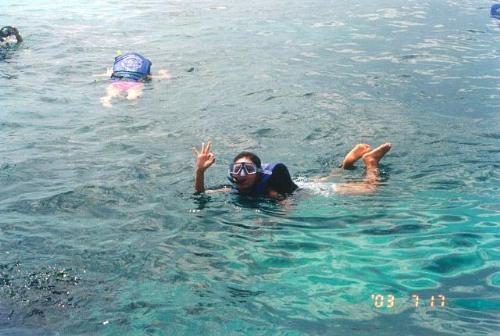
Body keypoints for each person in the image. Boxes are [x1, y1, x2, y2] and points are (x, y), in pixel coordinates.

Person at [193, 141, 392, 200]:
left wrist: (270, 224)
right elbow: (202, 193)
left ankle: (370, 162)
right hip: (303, 181)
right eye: (238, 169)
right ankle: (347, 163)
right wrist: (200, 171)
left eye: (248, 169)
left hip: (309, 191)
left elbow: (284, 205)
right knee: (324, 177)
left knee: (370, 189)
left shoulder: (270, 190)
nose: (242, 174)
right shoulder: (233, 189)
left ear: (259, 172)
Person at [94, 52, 170, 107]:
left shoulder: (117, 72)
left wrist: (105, 73)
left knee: (110, 94)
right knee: (133, 96)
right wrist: (163, 73)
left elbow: (105, 75)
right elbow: (163, 77)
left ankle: (107, 99)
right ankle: (132, 103)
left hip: (118, 82)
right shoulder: (145, 74)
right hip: (135, 84)